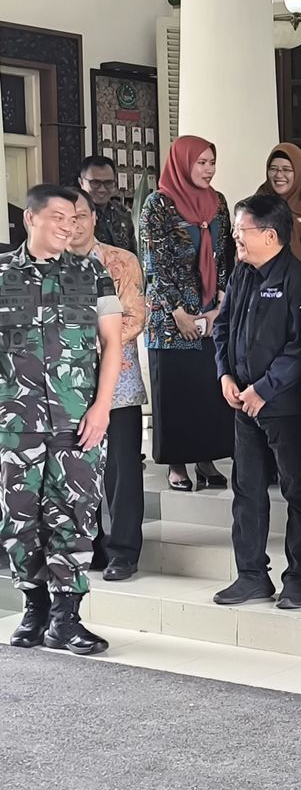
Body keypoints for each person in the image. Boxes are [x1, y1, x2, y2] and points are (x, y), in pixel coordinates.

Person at [2, 184, 123, 655]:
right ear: (30, 219)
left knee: (74, 515)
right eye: (58, 218)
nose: (68, 227)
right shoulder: (1, 274)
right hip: (15, 421)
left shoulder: (92, 273)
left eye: (73, 219)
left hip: (78, 420)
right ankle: (34, 608)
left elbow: (113, 344)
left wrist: (102, 407)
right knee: (18, 518)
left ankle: (66, 618)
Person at [212, 193, 301, 609]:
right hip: (243, 403)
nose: (236, 239)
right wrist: (224, 374)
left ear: (271, 234)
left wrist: (264, 388)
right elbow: (222, 326)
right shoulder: (242, 274)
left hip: (288, 408)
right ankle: (251, 576)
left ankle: (297, 579)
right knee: (247, 490)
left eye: (242, 231)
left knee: (299, 492)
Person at [141, 135, 235, 492]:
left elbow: (225, 256)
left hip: (212, 312)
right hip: (169, 318)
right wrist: (178, 311)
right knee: (176, 392)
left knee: (207, 391)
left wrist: (220, 305)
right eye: (201, 162)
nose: (208, 169)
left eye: (212, 162)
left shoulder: (218, 203)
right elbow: (155, 263)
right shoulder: (158, 204)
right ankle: (177, 464)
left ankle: (207, 459)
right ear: (183, 163)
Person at [69, 190, 147, 583]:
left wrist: (91, 344)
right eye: (67, 217)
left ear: (94, 218)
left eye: (82, 215)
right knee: (79, 468)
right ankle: (89, 544)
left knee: (121, 470)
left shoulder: (120, 260)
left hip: (118, 381)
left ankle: (124, 550)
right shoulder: (48, 265)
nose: (74, 224)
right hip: (66, 385)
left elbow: (135, 315)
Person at [259, 143, 301, 264]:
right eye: (273, 169)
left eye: (287, 169)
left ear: (299, 172)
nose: (279, 175)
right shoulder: (254, 207)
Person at [79, 155, 135, 252]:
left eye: (108, 183)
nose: (102, 189)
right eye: (95, 182)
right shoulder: (73, 215)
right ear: (81, 183)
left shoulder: (123, 213)